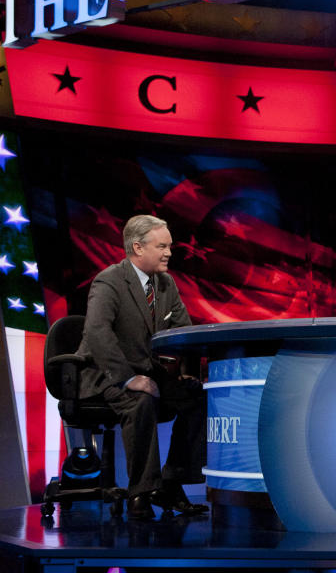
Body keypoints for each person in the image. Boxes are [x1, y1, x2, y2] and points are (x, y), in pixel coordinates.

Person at [76, 215, 207, 520]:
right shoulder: (109, 281)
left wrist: (185, 370)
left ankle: (172, 483)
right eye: (162, 246)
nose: (169, 252)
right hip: (104, 373)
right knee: (142, 400)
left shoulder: (165, 283)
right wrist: (127, 379)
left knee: (195, 397)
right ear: (137, 247)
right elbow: (98, 333)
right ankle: (141, 492)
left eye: (170, 246)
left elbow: (182, 329)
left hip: (146, 371)